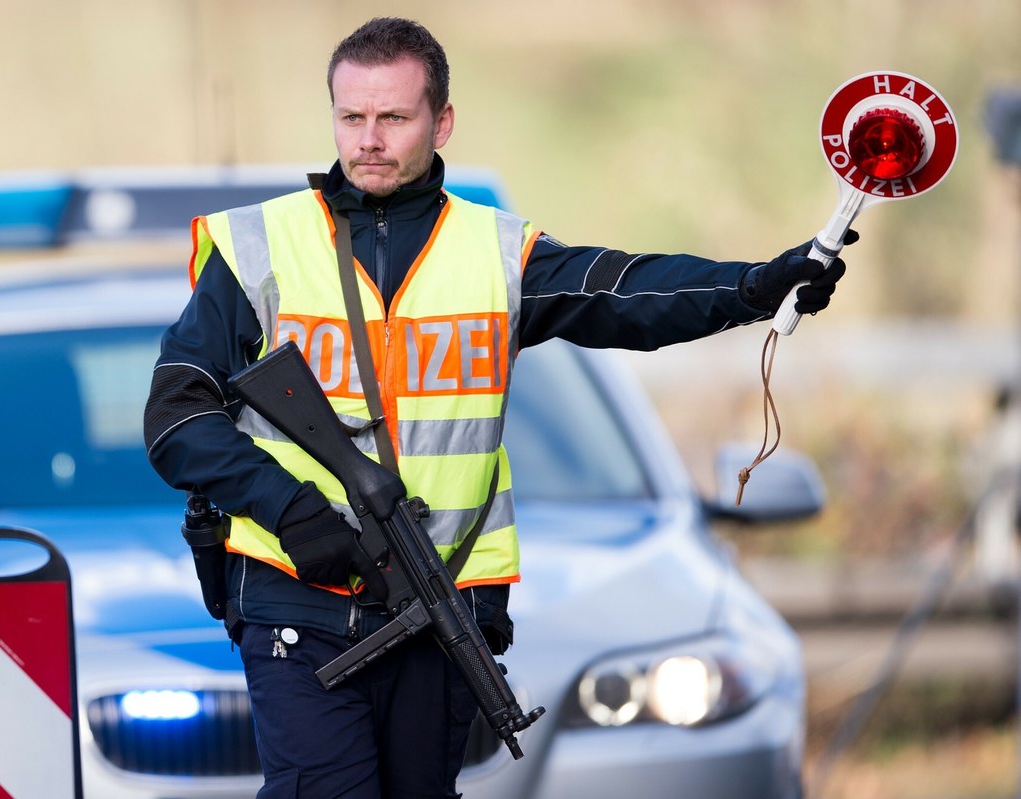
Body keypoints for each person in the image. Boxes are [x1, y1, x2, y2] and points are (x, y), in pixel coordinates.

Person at [144, 16, 852, 798]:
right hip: (297, 597)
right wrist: (290, 508)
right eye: (352, 117)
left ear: (441, 121)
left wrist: (756, 287)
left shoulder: (495, 252)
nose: (369, 139)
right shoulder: (263, 246)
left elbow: (626, 292)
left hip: (441, 597)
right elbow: (176, 418)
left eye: (393, 118)